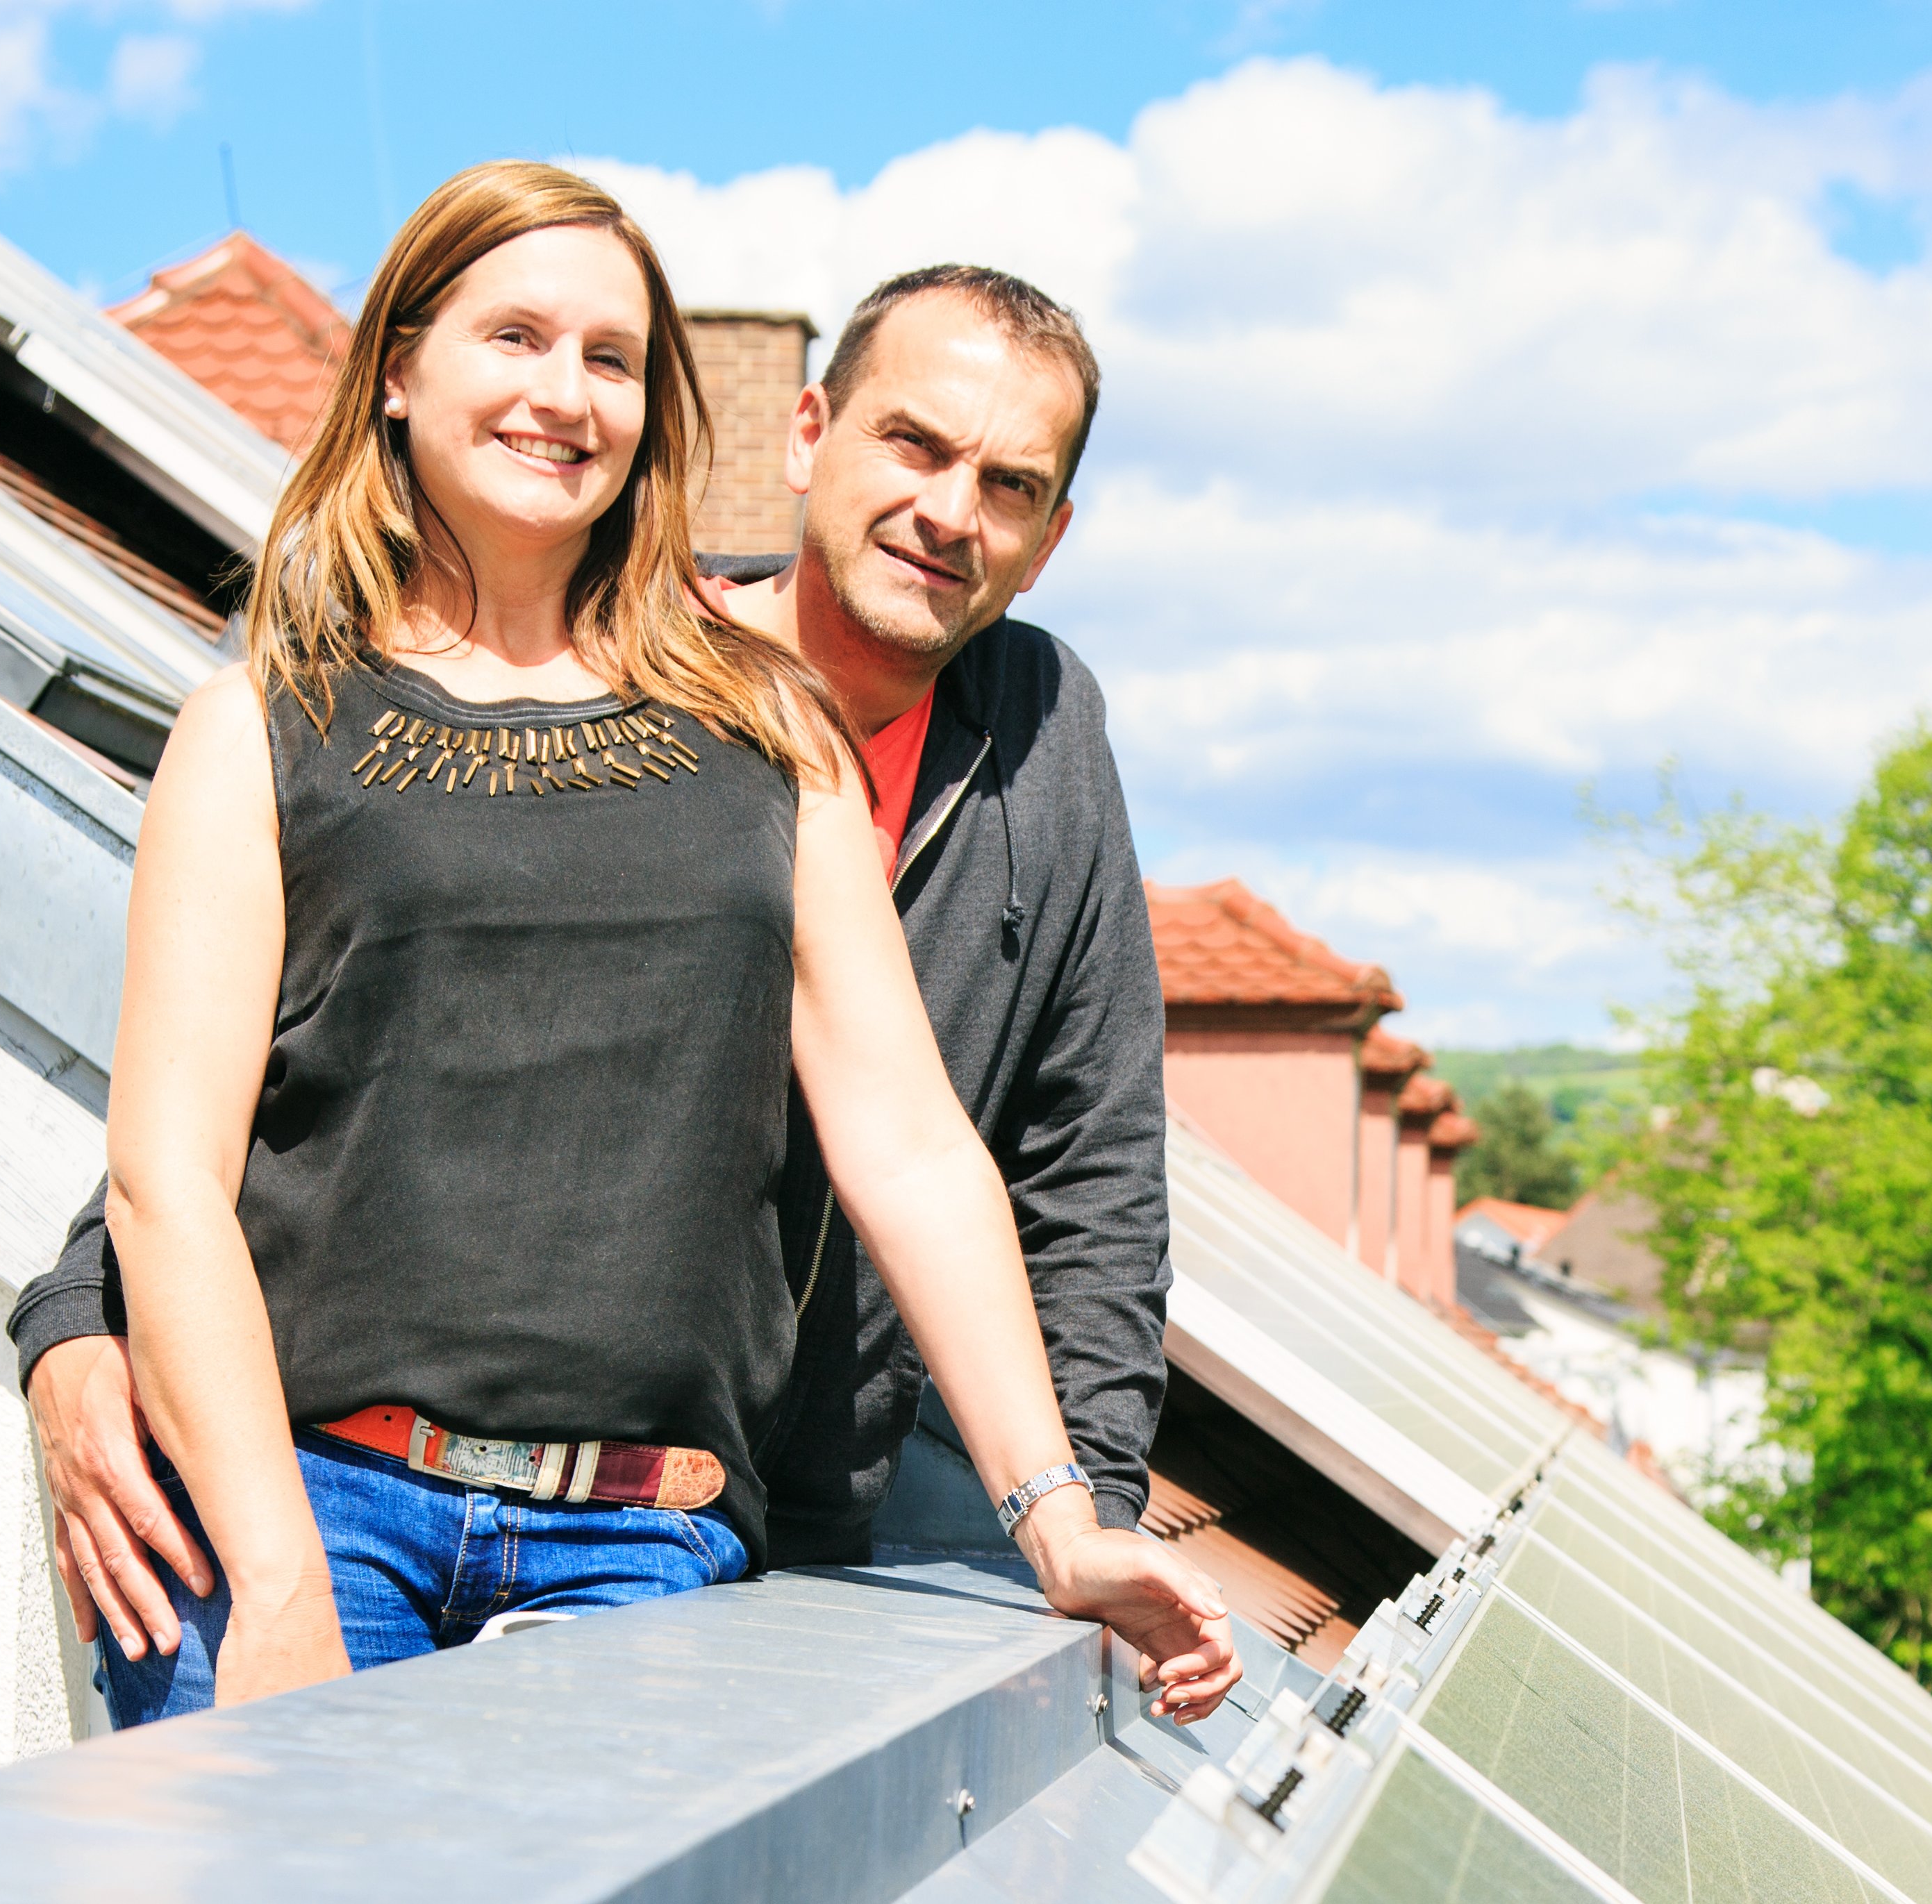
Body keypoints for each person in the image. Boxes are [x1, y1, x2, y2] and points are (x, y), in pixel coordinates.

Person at [81, 160, 1233, 1722]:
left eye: (612, 359)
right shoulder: (257, 730)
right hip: (316, 1503)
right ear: (401, 372)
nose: (566, 393)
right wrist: (275, 1577)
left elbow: (914, 1145)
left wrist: (1062, 1520)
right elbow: (169, 1180)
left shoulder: (769, 731)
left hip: (642, 1539)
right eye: (517, 339)